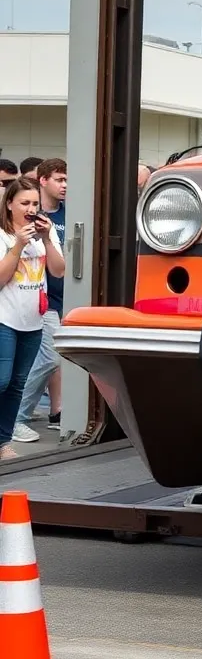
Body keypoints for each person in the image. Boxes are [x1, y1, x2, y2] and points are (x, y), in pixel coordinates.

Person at [0, 176, 65, 460]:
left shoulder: (44, 232)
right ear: (9, 204)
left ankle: (3, 442)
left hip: (34, 320)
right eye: (24, 203)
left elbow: (59, 270)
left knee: (17, 384)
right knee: (2, 381)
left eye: (35, 204)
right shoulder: (3, 235)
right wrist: (17, 246)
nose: (30, 209)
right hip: (5, 318)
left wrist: (48, 239)